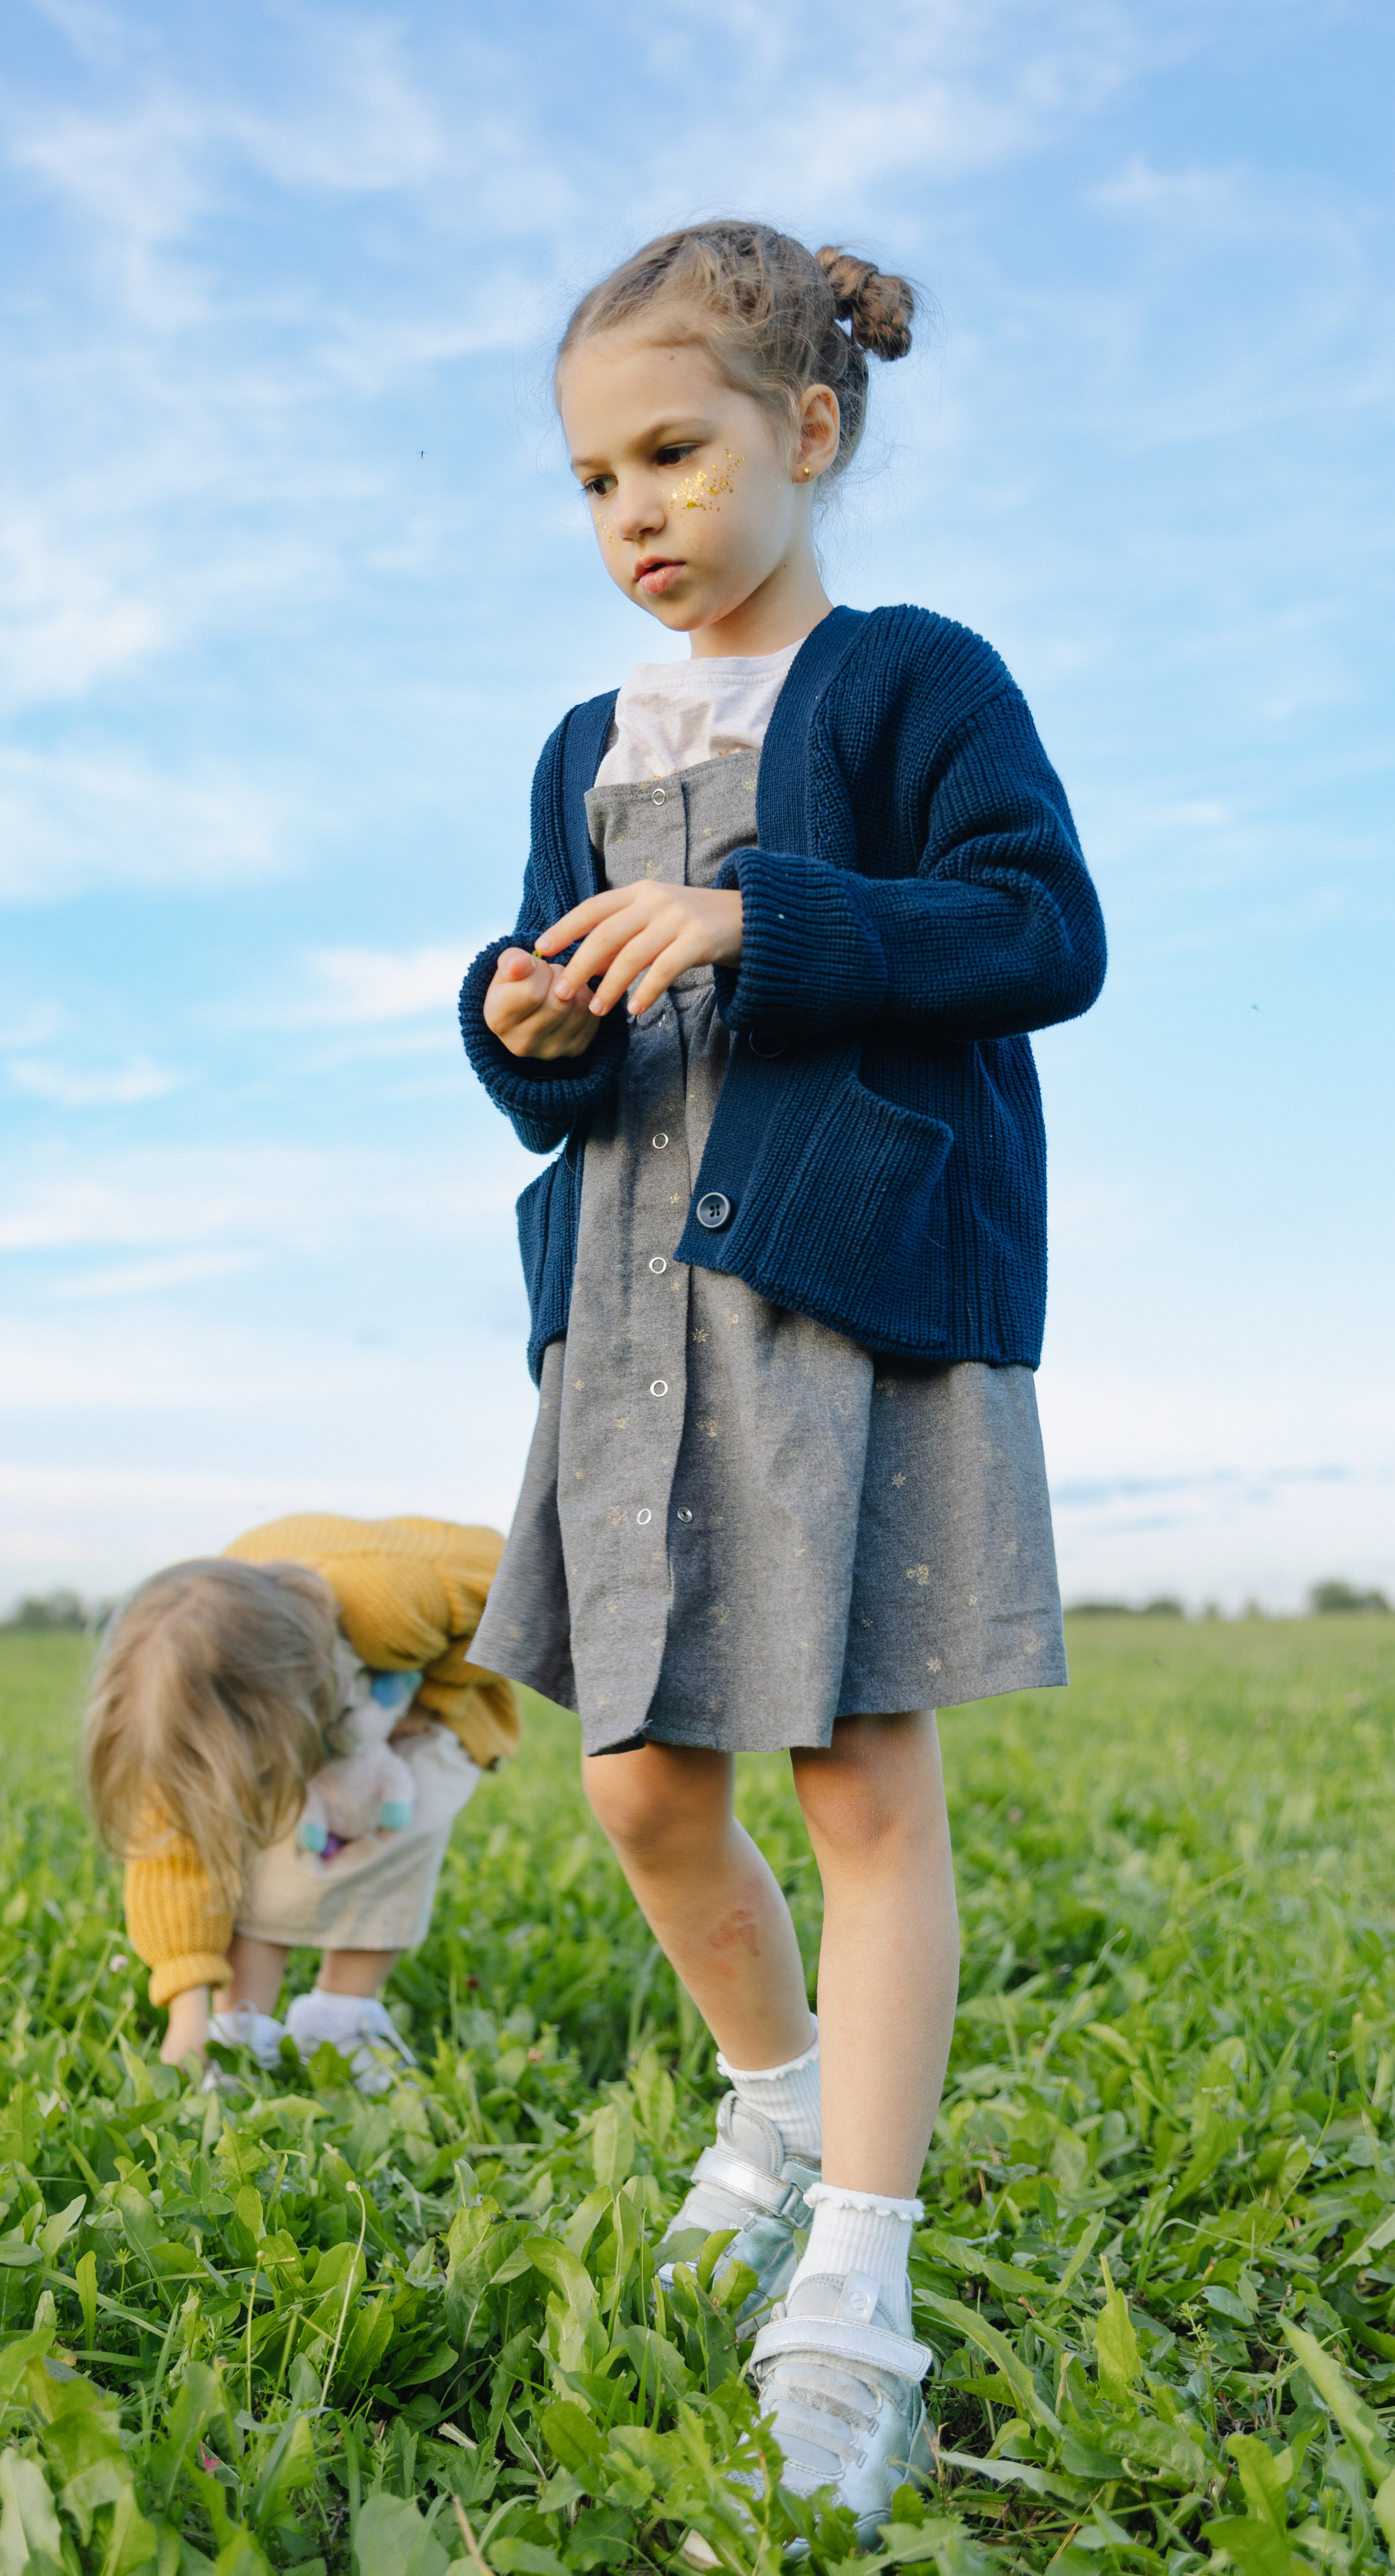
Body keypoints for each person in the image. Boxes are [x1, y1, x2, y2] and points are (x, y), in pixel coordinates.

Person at [459, 221, 1105, 2541]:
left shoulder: (907, 681)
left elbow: (1043, 930)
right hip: (633, 1316)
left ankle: (858, 2289)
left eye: (676, 452)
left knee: (853, 1780)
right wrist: (524, 1024)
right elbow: (569, 1059)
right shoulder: (585, 747)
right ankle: (772, 2097)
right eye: (591, 477)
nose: (635, 510)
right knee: (639, 1789)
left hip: (841, 1307)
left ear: (805, 433)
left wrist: (762, 915)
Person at [82, 1513, 516, 2088]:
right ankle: (237, 2031)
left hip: (426, 1714)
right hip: (310, 1695)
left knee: (384, 1835)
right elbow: (172, 1855)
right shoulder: (189, 1696)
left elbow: (510, 1586)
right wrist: (185, 2012)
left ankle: (343, 2018)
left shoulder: (387, 1603)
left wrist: (428, 1698)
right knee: (274, 1859)